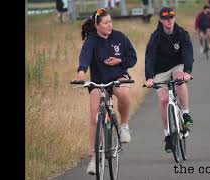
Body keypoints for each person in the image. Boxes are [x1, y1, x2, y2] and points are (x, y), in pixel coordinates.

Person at [73, 8, 137, 175]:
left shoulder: (120, 37)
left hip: (118, 76)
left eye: (110, 22)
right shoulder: (91, 40)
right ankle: (94, 159)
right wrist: (81, 72)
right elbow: (85, 57)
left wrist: (120, 60)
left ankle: (124, 126)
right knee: (95, 117)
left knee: (123, 94)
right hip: (99, 82)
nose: (110, 25)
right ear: (97, 25)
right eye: (106, 23)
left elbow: (133, 57)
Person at [144, 7, 194, 153]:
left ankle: (185, 113)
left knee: (179, 79)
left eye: (171, 17)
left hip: (177, 65)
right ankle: (167, 135)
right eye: (166, 18)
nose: (169, 21)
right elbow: (150, 58)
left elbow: (188, 52)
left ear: (174, 18)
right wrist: (149, 78)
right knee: (164, 99)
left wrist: (188, 71)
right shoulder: (155, 37)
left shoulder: (181, 33)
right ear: (161, 20)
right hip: (160, 70)